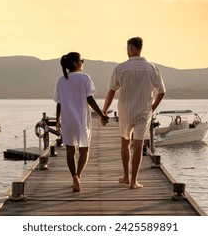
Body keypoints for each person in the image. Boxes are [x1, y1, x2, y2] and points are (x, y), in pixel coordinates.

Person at [101, 37, 165, 189]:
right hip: (144, 111)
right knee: (138, 145)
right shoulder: (152, 68)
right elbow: (162, 91)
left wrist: (104, 111)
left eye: (127, 49)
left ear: (130, 49)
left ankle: (125, 176)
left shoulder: (120, 68)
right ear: (140, 49)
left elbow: (111, 91)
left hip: (125, 111)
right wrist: (153, 107)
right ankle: (133, 181)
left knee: (125, 142)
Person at [54, 52, 110, 192]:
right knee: (84, 150)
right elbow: (90, 99)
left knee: (70, 150)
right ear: (75, 63)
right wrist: (102, 114)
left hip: (67, 120)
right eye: (81, 60)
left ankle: (73, 176)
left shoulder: (61, 80)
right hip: (81, 120)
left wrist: (57, 120)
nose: (83, 63)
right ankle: (78, 175)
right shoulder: (84, 78)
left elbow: (59, 103)